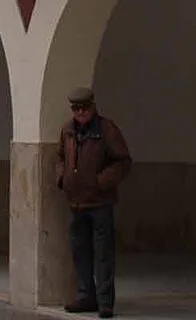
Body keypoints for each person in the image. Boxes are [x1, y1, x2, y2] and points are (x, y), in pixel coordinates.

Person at [57, 86, 132, 317]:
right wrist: (62, 177)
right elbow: (60, 156)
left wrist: (102, 181)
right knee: (81, 252)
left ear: (92, 107)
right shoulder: (67, 130)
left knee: (103, 254)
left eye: (84, 108)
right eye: (75, 109)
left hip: (100, 202)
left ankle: (105, 301)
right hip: (77, 202)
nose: (80, 113)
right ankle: (85, 297)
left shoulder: (106, 129)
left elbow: (122, 161)